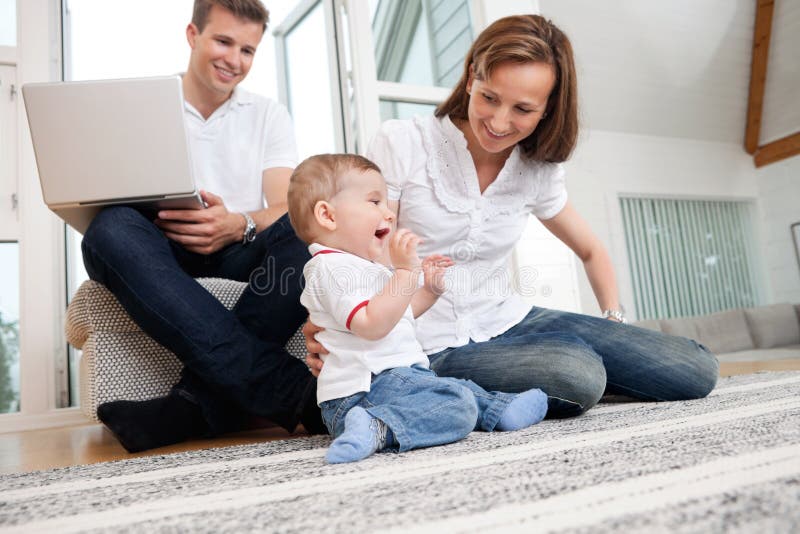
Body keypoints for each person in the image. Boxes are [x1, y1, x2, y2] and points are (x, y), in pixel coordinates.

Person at [304, 15, 719, 418]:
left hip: (510, 320)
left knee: (694, 370)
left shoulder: (537, 168)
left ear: (547, 108)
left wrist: (615, 323)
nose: (499, 122)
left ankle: (563, 366)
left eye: (522, 108)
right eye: (489, 97)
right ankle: (438, 385)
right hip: (425, 342)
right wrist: (329, 323)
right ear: (471, 78)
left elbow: (591, 250)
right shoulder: (403, 142)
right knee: (577, 372)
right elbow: (353, 244)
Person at [81, 0, 325, 453]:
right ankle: (289, 392)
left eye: (248, 50)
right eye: (223, 41)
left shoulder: (268, 114)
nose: (234, 60)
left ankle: (192, 407)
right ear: (193, 35)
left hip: (238, 254)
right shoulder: (142, 105)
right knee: (109, 229)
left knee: (304, 225)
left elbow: (281, 206)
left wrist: (239, 224)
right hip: (156, 256)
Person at [287, 154, 548, 463]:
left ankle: (498, 409)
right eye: (374, 202)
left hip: (388, 381)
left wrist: (429, 290)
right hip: (364, 391)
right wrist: (406, 274)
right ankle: (380, 427)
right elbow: (371, 325)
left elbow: (399, 314)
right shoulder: (330, 268)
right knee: (457, 403)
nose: (388, 213)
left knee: (451, 388)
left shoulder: (362, 267)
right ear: (328, 215)